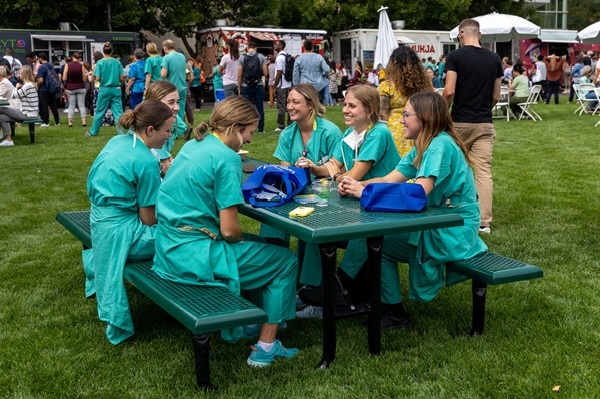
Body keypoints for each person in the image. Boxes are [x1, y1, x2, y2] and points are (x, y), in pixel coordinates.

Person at [152, 96, 300, 367]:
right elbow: (230, 230)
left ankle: (252, 322)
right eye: (249, 132)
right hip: (196, 256)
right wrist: (242, 241)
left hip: (168, 247)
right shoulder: (227, 159)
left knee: (266, 247)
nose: (251, 140)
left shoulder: (194, 145)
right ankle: (266, 348)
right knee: (285, 260)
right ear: (234, 128)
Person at [338, 91, 488, 329]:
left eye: (407, 115)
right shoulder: (426, 142)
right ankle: (369, 299)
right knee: (376, 239)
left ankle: (346, 288)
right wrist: (356, 185)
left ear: (425, 118)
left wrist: (363, 192)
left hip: (455, 229)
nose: (401, 119)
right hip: (441, 220)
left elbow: (418, 194)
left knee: (377, 239)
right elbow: (389, 179)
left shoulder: (439, 146)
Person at [82, 100, 175, 345]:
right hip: (122, 231)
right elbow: (148, 219)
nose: (170, 135)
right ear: (151, 130)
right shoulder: (146, 161)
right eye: (168, 130)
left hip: (100, 220)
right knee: (181, 236)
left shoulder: (118, 140)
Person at [443, 18, 502, 234]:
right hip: (484, 123)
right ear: (479, 34)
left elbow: (449, 91)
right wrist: (484, 107)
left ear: (461, 34)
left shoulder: (455, 56)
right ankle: (484, 222)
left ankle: (449, 211)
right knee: (483, 172)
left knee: (452, 167)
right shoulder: (495, 59)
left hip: (459, 122)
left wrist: (442, 110)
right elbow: (496, 95)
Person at [380, 46, 433, 157]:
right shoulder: (425, 85)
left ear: (393, 63)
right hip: (419, 128)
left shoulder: (387, 86)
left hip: (394, 130)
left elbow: (382, 114)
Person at [144, 80, 188, 173]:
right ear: (155, 104)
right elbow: (168, 169)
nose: (177, 108)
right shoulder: (153, 132)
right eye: (171, 102)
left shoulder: (160, 126)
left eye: (178, 102)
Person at [86, 43, 124, 137]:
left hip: (104, 89)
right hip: (116, 89)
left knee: (100, 111)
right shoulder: (117, 62)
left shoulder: (100, 63)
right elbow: (121, 78)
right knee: (118, 112)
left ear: (104, 51)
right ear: (112, 51)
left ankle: (93, 132)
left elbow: (98, 78)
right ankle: (122, 133)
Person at [0, 65, 39, 147]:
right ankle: (8, 139)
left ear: (24, 74)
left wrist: (16, 88)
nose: (19, 75)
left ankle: (7, 139)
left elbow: (14, 95)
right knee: (2, 117)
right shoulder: (29, 85)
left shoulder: (28, 85)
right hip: (26, 112)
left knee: (2, 109)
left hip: (28, 114)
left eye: (20, 73)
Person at [238, 41, 267, 134]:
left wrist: (239, 87)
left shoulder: (242, 57)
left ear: (247, 48)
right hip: (258, 84)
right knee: (259, 107)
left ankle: (246, 128)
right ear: (256, 48)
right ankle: (261, 129)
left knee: (246, 108)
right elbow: (265, 73)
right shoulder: (261, 57)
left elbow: (239, 74)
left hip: (246, 85)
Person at [160, 40, 188, 123]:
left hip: (171, 88)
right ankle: (182, 127)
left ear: (165, 48)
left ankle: (177, 128)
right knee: (181, 110)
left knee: (171, 110)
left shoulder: (166, 57)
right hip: (183, 87)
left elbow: (163, 74)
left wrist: (161, 70)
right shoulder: (182, 56)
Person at [62, 52, 87, 127]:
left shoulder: (67, 65)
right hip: (80, 87)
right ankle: (83, 122)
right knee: (81, 105)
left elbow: (64, 78)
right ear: (79, 58)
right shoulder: (81, 66)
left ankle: (70, 123)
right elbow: (84, 79)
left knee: (71, 105)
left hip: (70, 88)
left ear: (73, 58)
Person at [36, 52, 60, 127]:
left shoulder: (41, 67)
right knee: (53, 105)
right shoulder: (51, 65)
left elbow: (41, 80)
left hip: (44, 89)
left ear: (40, 58)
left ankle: (45, 122)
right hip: (52, 88)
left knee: (44, 105)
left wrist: (37, 85)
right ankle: (57, 122)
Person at [273, 39, 292, 132]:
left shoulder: (279, 58)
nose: (274, 46)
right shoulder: (286, 56)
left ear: (280, 46)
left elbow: (279, 73)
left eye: (276, 45)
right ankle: (290, 123)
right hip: (288, 84)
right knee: (290, 105)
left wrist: (274, 85)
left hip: (282, 85)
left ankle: (281, 125)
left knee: (281, 106)